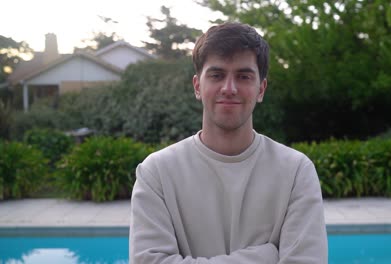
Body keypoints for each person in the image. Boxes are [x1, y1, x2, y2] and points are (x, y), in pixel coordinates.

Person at [129, 22, 328, 263]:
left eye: (243, 76)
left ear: (261, 89)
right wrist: (264, 256)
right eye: (217, 75)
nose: (229, 88)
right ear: (197, 86)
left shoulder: (296, 171)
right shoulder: (157, 173)